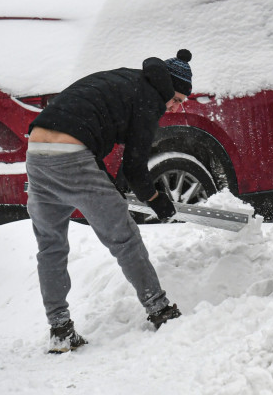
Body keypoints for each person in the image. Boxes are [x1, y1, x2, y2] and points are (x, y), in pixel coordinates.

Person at [26, 49, 194, 353]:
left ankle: (60, 329)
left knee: (50, 246)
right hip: (71, 156)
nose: (173, 107)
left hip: (37, 150)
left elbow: (89, 135)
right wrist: (156, 200)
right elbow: (134, 166)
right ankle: (161, 310)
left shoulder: (125, 80)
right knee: (124, 237)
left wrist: (111, 188)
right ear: (168, 89)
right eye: (177, 99)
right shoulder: (150, 98)